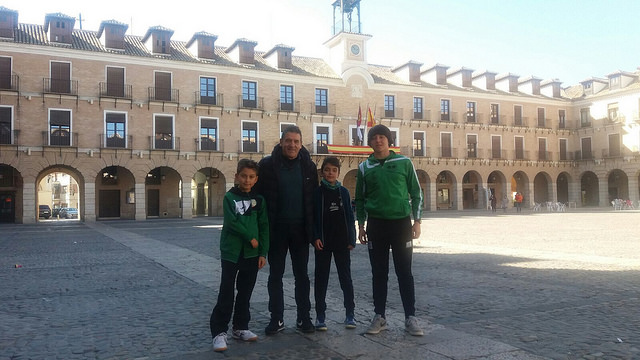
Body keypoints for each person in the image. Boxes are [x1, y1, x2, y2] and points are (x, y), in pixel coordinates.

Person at [355, 124, 425, 337]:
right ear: (370, 142)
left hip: (401, 224)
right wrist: (361, 225)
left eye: (382, 137)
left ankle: (410, 317)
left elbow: (416, 192)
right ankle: (379, 316)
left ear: (388, 140)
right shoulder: (364, 167)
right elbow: (360, 199)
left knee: (404, 272)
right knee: (379, 273)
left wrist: (417, 221)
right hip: (376, 225)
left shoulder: (404, 162)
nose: (378, 140)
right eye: (374, 137)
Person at [255, 125, 319, 335]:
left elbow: (314, 200)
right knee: (276, 275)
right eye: (288, 141)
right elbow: (257, 197)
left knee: (302, 276)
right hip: (276, 229)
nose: (292, 145)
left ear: (301, 144)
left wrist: (315, 232)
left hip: (301, 230)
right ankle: (277, 318)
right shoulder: (267, 165)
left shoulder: (309, 166)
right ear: (281, 142)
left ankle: (304, 318)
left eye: (296, 141)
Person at [210, 159, 269, 352]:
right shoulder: (230, 197)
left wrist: (263, 251)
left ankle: (240, 327)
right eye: (243, 176)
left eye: (251, 177)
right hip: (232, 252)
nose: (247, 180)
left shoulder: (259, 200)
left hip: (252, 254)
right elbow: (232, 222)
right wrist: (249, 237)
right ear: (237, 177)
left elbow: (264, 226)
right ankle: (219, 331)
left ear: (256, 179)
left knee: (245, 291)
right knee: (226, 290)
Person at [313, 156, 357, 331]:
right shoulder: (317, 193)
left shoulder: (344, 192)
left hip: (342, 242)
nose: (330, 173)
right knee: (321, 279)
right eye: (327, 170)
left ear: (338, 172)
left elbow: (349, 216)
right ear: (323, 172)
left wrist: (351, 238)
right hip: (323, 243)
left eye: (334, 170)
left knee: (345, 278)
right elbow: (313, 218)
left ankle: (350, 314)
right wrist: (315, 237)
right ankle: (320, 316)